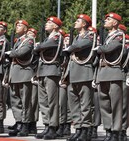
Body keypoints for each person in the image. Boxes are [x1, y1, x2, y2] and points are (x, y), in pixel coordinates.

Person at [64, 14, 95, 141]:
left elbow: (80, 46)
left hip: (84, 73)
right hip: (73, 73)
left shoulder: (90, 36)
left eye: (78, 21)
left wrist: (68, 49)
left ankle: (86, 130)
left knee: (85, 104)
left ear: (84, 24)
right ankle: (78, 128)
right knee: (74, 104)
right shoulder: (76, 37)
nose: (75, 23)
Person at [95, 12, 125, 141]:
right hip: (103, 73)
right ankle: (108, 129)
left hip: (114, 72)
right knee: (105, 104)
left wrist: (99, 48)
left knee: (116, 105)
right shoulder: (108, 36)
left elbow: (109, 49)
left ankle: (116, 131)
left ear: (115, 22)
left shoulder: (119, 36)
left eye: (109, 19)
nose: (105, 21)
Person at [33, 16, 63, 139]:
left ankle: (53, 127)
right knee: (43, 101)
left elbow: (40, 47)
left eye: (49, 23)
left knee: (52, 101)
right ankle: (46, 125)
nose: (46, 24)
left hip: (51, 71)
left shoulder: (57, 37)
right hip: (42, 71)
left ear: (55, 26)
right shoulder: (47, 38)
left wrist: (39, 47)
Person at [6, 20, 34, 137]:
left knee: (25, 101)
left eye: (20, 25)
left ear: (26, 29)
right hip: (15, 73)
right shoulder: (18, 41)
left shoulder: (28, 40)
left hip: (24, 73)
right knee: (15, 101)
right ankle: (18, 122)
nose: (17, 26)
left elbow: (22, 53)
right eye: (16, 25)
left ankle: (26, 124)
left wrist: (10, 53)